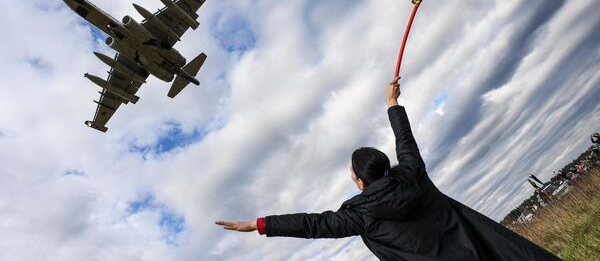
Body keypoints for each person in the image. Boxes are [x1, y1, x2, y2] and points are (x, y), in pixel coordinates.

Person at [216, 78, 560, 260]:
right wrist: (393, 103)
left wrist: (260, 224)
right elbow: (405, 141)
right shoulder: (414, 175)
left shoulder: (360, 215)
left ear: (358, 178)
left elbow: (313, 224)